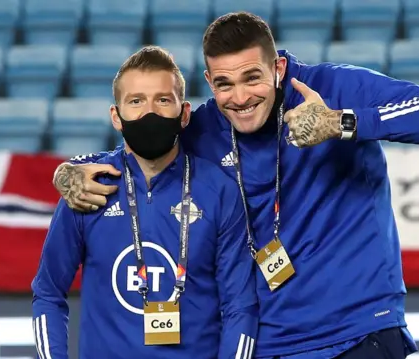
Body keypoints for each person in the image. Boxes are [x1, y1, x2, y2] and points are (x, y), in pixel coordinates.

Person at [51, 12, 419, 359]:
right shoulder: (205, 128)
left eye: (252, 78)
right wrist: (69, 172)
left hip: (357, 332)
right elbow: (142, 147)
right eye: (223, 84)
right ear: (209, 80)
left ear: (277, 68)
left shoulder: (333, 88)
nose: (239, 97)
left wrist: (343, 123)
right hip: (268, 343)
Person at [31, 46, 258, 359]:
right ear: (116, 116)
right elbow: (48, 292)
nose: (149, 113)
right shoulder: (89, 188)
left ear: (185, 113)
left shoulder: (219, 191)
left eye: (163, 100)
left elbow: (240, 307)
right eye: (136, 101)